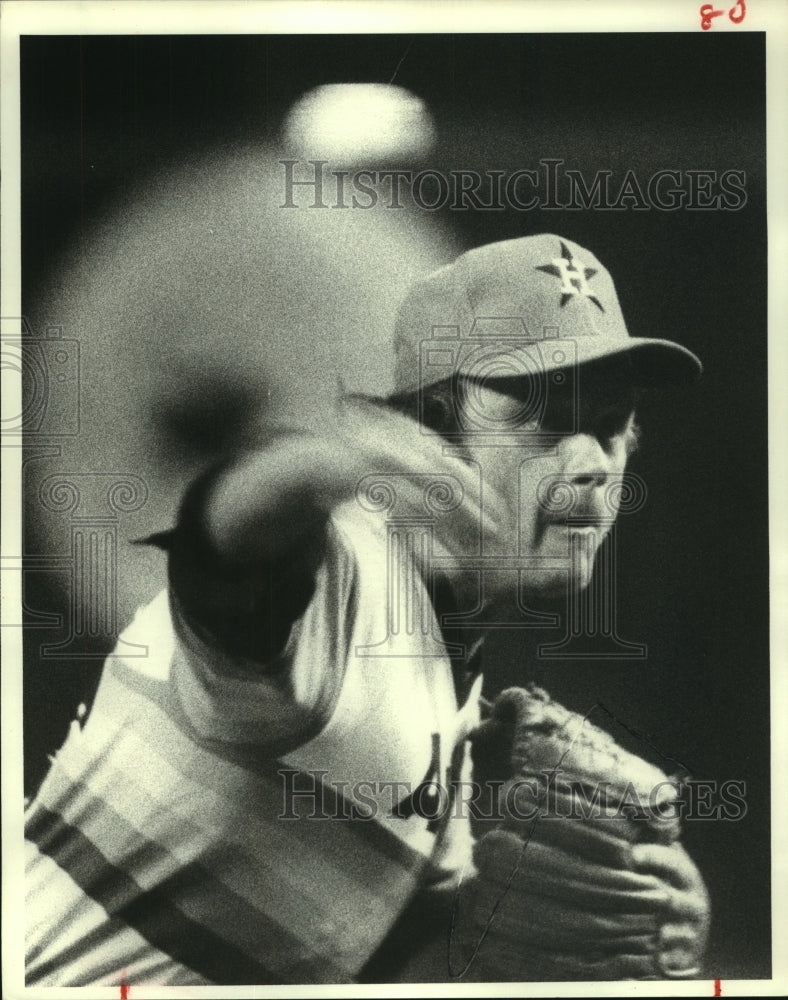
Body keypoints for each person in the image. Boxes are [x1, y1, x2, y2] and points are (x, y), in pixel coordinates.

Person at [24, 233, 709, 986]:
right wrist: (333, 458)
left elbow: (361, 969)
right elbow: (221, 543)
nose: (590, 462)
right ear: (435, 429)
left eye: (611, 425)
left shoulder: (448, 667)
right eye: (543, 419)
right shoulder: (341, 576)